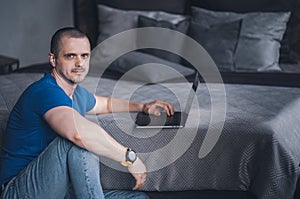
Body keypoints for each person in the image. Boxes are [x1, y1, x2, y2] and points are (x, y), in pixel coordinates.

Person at [0, 27, 174, 198]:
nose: (79, 63)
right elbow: (77, 134)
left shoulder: (76, 93)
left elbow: (104, 104)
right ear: (53, 59)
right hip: (18, 189)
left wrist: (142, 107)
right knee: (77, 141)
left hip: (59, 188)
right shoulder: (45, 91)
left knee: (137, 198)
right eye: (70, 56)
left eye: (85, 56)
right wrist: (130, 158)